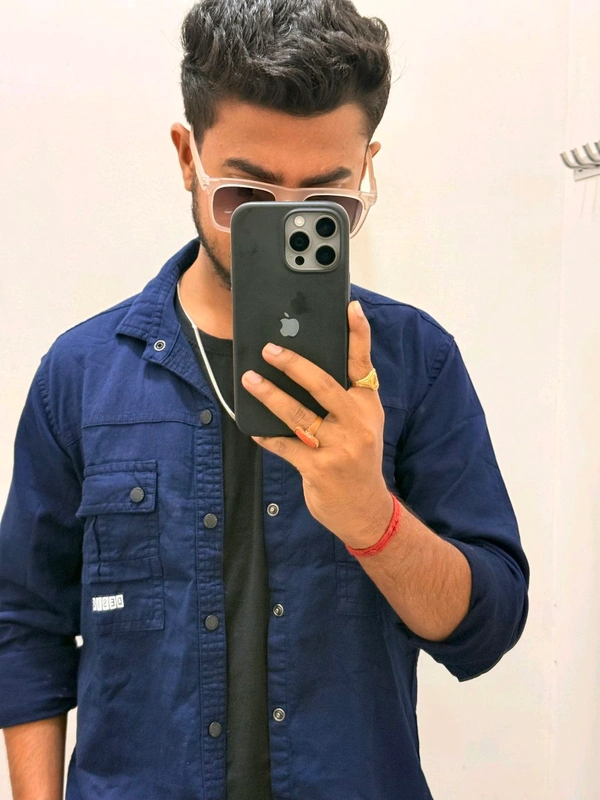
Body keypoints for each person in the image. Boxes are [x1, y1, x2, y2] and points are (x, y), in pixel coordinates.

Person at [0, 1, 529, 798]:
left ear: (365, 170)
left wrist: (373, 519)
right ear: (188, 156)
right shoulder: (80, 374)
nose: (281, 225)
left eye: (324, 203)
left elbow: (486, 629)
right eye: (246, 194)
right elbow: (26, 626)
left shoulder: (416, 363)